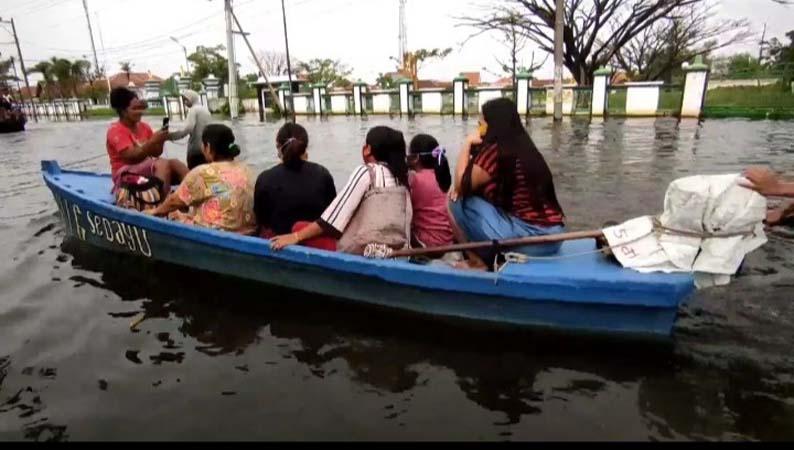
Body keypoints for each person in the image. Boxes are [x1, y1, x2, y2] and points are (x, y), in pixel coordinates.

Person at [449, 97, 565, 270]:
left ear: (492, 124)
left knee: (455, 200)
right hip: (555, 238)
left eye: (481, 123)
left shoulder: (495, 152)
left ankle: (477, 261)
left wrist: (466, 144)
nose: (478, 127)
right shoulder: (524, 147)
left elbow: (460, 185)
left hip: (535, 241)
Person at [270, 126, 412, 255]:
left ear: (367, 149)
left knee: (298, 227)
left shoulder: (367, 172)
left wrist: (295, 237)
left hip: (362, 250)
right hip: (396, 250)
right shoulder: (403, 179)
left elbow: (332, 221)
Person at [147, 124, 256, 235]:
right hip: (248, 231)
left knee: (173, 213)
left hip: (217, 233)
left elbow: (173, 202)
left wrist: (155, 211)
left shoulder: (203, 173)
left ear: (207, 147)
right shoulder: (247, 169)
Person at [254, 122, 337, 250]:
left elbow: (261, 219)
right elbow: (332, 216)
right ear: (305, 147)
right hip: (315, 244)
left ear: (278, 147)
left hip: (278, 244)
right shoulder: (322, 174)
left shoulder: (265, 178)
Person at [106, 87, 188, 199]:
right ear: (123, 111)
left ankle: (194, 195)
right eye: (135, 109)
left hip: (145, 169)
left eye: (140, 108)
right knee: (162, 164)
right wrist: (153, 141)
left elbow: (156, 153)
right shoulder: (116, 131)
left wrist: (161, 140)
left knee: (175, 163)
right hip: (124, 174)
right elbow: (131, 157)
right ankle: (162, 202)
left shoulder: (145, 127)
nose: (140, 112)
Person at [407, 133, 454, 249]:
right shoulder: (444, 178)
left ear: (415, 158)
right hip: (449, 240)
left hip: (427, 243)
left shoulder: (414, 179)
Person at [167, 89, 213, 169]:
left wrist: (171, 136)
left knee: (194, 174)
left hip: (196, 149)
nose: (185, 103)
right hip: (207, 149)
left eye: (186, 100)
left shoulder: (193, 110)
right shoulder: (205, 110)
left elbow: (188, 128)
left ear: (191, 99)